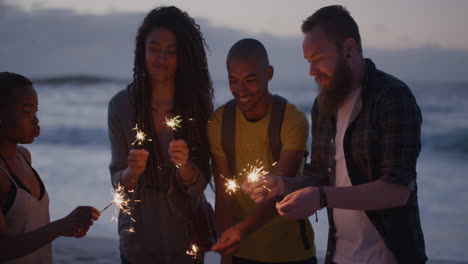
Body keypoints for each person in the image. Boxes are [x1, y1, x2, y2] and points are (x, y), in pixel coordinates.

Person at [247, 5, 427, 264]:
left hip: (391, 256)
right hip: (338, 256)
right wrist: (283, 185)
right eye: (308, 61)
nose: (311, 71)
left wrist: (321, 197)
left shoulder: (392, 98)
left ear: (349, 48)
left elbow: (397, 190)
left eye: (318, 58)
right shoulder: (324, 105)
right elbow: (320, 175)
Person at [107, 6, 214, 264]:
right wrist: (133, 171)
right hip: (138, 238)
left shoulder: (197, 107)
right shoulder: (122, 106)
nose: (161, 59)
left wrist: (185, 166)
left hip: (185, 235)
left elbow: (201, 182)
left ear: (184, 56)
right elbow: (119, 183)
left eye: (171, 52)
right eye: (154, 49)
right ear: (142, 51)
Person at [208, 38, 317, 264]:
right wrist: (227, 253)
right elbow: (223, 193)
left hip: (293, 253)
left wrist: (242, 230)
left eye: (249, 80)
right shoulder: (219, 122)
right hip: (241, 252)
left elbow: (278, 190)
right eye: (233, 81)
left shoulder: (292, 120)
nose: (241, 90)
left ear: (268, 73)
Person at [0, 72, 100, 263]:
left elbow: (30, 225)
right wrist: (60, 227)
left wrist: (67, 227)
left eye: (36, 112)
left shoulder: (23, 156)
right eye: (27, 112)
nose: (36, 120)